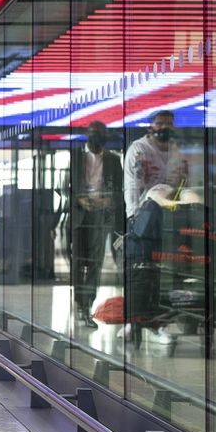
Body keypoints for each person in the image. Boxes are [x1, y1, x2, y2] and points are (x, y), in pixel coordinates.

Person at [122, 110, 190, 345]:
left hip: (170, 220)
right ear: (150, 126)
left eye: (169, 124)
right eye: (160, 123)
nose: (164, 127)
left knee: (165, 274)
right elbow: (132, 186)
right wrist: (133, 216)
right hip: (144, 218)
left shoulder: (177, 153)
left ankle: (158, 322)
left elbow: (183, 184)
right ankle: (135, 320)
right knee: (142, 271)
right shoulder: (139, 150)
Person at [68, 121, 124, 326]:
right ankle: (78, 302)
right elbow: (66, 187)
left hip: (100, 216)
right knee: (77, 263)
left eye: (100, 134)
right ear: (87, 135)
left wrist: (107, 201)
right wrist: (79, 199)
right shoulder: (75, 157)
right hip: (79, 215)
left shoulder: (113, 160)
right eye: (93, 134)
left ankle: (86, 306)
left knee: (94, 264)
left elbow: (119, 191)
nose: (96, 138)